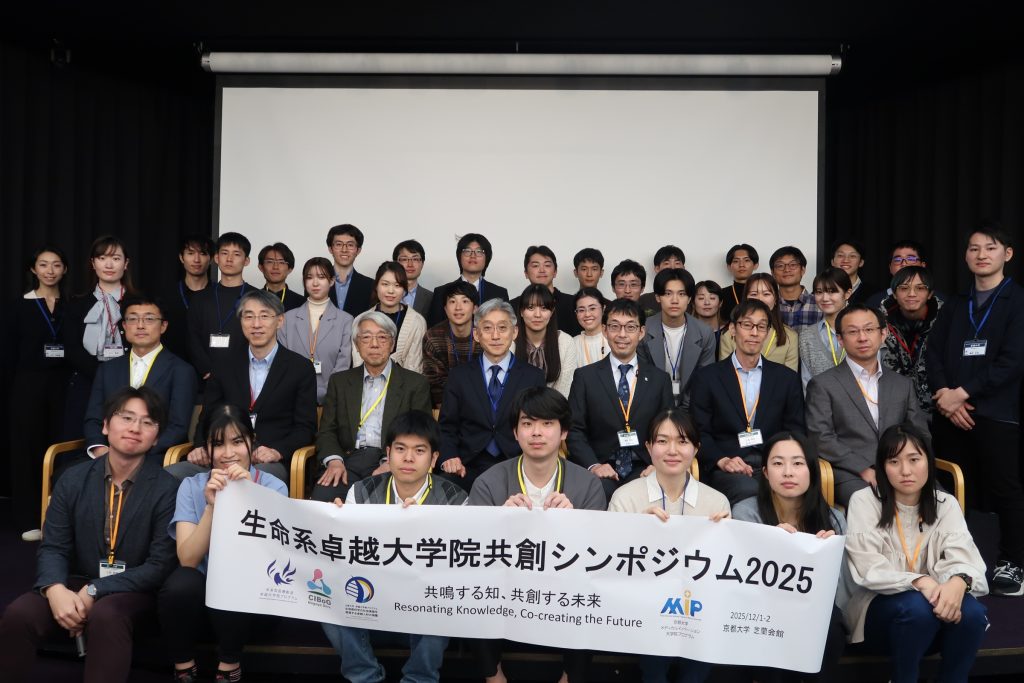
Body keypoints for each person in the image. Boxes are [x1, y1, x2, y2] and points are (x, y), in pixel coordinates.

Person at [0, 387, 178, 683]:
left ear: (156, 437)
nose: (135, 428)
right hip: (74, 582)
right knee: (20, 615)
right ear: (106, 425)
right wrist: (54, 589)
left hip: (134, 591)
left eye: (147, 422)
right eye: (126, 418)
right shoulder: (72, 479)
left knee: (107, 615)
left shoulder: (167, 489)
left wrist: (96, 589)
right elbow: (53, 547)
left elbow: (159, 566)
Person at [469, 387, 605, 683]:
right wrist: (499, 522)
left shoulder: (587, 485)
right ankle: (493, 675)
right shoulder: (489, 482)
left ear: (564, 432)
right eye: (527, 423)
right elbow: (473, 552)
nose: (537, 433)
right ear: (515, 432)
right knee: (474, 592)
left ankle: (571, 677)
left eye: (547, 423)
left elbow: (597, 556)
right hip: (506, 589)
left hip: (563, 588)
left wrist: (574, 523)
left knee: (592, 598)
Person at [323, 411, 466, 683]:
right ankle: (365, 676)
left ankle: (419, 679)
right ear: (388, 453)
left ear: (434, 458)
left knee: (448, 597)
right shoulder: (360, 493)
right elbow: (345, 561)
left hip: (424, 610)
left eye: (419, 451)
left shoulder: (455, 500)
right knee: (324, 598)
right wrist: (336, 526)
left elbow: (458, 568)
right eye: (400, 449)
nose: (408, 458)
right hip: (371, 603)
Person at [843, 424, 989, 682]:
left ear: (928, 462)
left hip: (934, 613)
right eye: (894, 461)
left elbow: (966, 560)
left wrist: (959, 582)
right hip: (879, 619)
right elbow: (869, 569)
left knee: (973, 614)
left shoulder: (945, 504)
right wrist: (920, 581)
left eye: (914, 459)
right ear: (882, 467)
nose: (906, 471)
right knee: (916, 608)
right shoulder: (864, 501)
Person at [926, 225, 1024, 596]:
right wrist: (945, 396)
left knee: (1006, 489)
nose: (981, 255)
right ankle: (956, 563)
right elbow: (933, 353)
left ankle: (1013, 563)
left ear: (1007, 254)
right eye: (974, 248)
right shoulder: (956, 303)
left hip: (996, 412)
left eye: (990, 247)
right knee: (951, 491)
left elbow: (1012, 361)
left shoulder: (1017, 301)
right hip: (951, 414)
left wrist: (962, 394)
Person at [158, 404, 288, 683]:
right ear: (207, 449)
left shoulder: (273, 487)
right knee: (180, 583)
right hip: (200, 597)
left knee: (233, 574)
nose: (228, 453)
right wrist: (211, 507)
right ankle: (183, 664)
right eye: (218, 444)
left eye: (237, 442)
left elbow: (268, 559)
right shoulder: (191, 486)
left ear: (252, 442)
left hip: (250, 602)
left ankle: (229, 662)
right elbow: (188, 559)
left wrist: (247, 495)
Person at [608, 409, 729, 683]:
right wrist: (637, 532)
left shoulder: (716, 502)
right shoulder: (625, 498)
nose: (672, 450)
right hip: (642, 607)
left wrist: (726, 537)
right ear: (648, 447)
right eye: (662, 441)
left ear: (696, 448)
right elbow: (611, 567)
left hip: (696, 609)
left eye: (682, 441)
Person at [732, 432, 847, 683]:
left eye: (797, 463)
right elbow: (741, 585)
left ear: (812, 470)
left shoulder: (834, 519)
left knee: (831, 623)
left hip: (812, 613)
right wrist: (774, 548)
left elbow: (840, 591)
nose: (788, 472)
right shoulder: (745, 514)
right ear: (765, 472)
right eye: (777, 463)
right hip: (761, 614)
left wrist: (823, 561)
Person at [179, 289, 317, 483]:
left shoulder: (300, 368)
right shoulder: (223, 364)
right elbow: (207, 416)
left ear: (280, 321)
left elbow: (305, 428)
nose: (256, 324)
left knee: (253, 481)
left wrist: (278, 451)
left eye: (264, 316)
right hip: (222, 457)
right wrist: (201, 446)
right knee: (171, 475)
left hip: (267, 461)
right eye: (249, 316)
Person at [806, 304, 930, 507]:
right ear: (840, 340)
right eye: (853, 332)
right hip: (852, 473)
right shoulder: (822, 384)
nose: (862, 337)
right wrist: (862, 468)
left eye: (869, 329)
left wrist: (910, 465)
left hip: (903, 469)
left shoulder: (902, 384)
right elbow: (821, 438)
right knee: (872, 503)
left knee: (943, 501)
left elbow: (920, 434)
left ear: (883, 334)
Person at [689, 299, 805, 505]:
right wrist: (722, 460)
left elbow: (795, 430)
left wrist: (781, 463)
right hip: (728, 466)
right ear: (733, 329)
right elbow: (699, 431)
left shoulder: (786, 378)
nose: (754, 333)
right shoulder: (707, 377)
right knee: (750, 492)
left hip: (774, 464)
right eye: (747, 325)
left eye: (761, 327)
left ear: (767, 332)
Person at [311, 311, 433, 502]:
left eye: (382, 337)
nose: (374, 344)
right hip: (347, 460)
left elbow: (421, 433)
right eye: (366, 337)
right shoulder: (340, 382)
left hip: (392, 461)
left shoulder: (415, 384)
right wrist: (334, 460)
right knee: (323, 498)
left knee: (383, 503)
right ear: (356, 344)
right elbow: (327, 430)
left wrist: (392, 463)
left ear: (392, 344)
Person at [566, 298, 673, 500]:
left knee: (648, 495)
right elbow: (574, 430)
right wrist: (594, 465)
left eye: (630, 327)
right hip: (601, 465)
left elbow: (668, 431)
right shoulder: (585, 377)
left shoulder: (660, 379)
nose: (622, 334)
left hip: (645, 466)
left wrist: (657, 466)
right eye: (615, 327)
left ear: (641, 332)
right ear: (604, 330)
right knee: (597, 493)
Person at [438, 299, 546, 491]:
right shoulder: (459, 376)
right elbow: (447, 427)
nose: (495, 336)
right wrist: (449, 456)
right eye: (487, 328)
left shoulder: (533, 377)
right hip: (467, 464)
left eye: (502, 328)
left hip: (517, 464)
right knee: (445, 486)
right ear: (476, 334)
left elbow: (539, 426)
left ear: (515, 332)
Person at [84, 295, 197, 460]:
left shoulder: (182, 371)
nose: (140, 325)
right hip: (108, 456)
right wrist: (100, 450)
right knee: (66, 473)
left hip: (156, 456)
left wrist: (136, 454)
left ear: (163, 326)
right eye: (133, 319)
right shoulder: (107, 369)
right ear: (124, 326)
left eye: (149, 319)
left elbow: (177, 426)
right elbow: (93, 418)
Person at [8, 246, 70, 541]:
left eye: (56, 265)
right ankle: (28, 518)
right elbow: (9, 353)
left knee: (62, 450)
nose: (50, 271)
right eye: (43, 265)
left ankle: (57, 518)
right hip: (28, 386)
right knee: (27, 449)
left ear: (65, 269)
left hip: (65, 386)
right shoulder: (18, 306)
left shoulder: (73, 305)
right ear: (33, 269)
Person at [63, 235, 134, 439]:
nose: (109, 265)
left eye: (116, 258)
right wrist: (102, 375)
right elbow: (72, 348)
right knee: (83, 441)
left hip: (131, 383)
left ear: (126, 264)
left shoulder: (139, 302)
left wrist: (119, 376)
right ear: (93, 263)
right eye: (102, 258)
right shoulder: (77, 304)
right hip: (86, 383)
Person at [278, 257, 354, 404]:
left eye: (321, 277)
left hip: (331, 400)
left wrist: (327, 393)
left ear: (331, 281)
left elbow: (343, 364)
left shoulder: (346, 320)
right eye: (309, 277)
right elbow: (282, 361)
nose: (315, 283)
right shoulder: (287, 318)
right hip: (292, 398)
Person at [641, 268, 715, 409]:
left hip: (691, 407)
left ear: (689, 298)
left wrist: (683, 412)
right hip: (653, 406)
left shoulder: (705, 333)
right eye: (668, 294)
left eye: (681, 294)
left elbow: (704, 379)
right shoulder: (643, 331)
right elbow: (643, 379)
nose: (675, 300)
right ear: (658, 297)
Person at [186, 232, 255, 382]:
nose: (229, 259)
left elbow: (262, 336)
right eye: (224, 253)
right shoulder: (200, 298)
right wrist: (206, 368)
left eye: (236, 254)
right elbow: (193, 337)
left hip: (246, 376)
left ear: (246, 261)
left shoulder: (257, 297)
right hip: (206, 378)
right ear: (216, 258)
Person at [881, 266, 943, 413]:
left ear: (930, 294)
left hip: (939, 407)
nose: (912, 294)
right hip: (892, 407)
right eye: (904, 288)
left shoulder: (946, 319)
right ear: (894, 293)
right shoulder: (877, 322)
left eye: (920, 288)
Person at [351, 261, 427, 373]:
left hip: (404, 383)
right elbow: (358, 363)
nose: (391, 291)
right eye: (385, 284)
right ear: (376, 286)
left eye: (397, 285)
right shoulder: (360, 320)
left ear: (404, 289)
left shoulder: (417, 321)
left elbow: (414, 368)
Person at [718, 273, 798, 371]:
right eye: (754, 294)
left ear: (776, 299)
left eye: (766, 294)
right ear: (745, 299)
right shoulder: (728, 334)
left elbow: (789, 378)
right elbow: (724, 373)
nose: (760, 299)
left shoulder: (790, 337)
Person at [427, 233, 510, 326]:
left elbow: (506, 327)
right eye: (467, 251)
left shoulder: (499, 293)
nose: (473, 256)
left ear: (487, 258)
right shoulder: (441, 292)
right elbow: (434, 329)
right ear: (459, 257)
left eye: (479, 251)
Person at [422, 281, 480, 407]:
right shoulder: (433, 337)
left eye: (465, 301)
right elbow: (435, 383)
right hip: (445, 405)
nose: (458, 307)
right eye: (452, 301)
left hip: (481, 403)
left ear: (475, 309)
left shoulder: (484, 335)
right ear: (445, 309)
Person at [514, 284, 578, 397]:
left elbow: (563, 390)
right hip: (516, 406)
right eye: (531, 308)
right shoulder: (510, 342)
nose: (537, 315)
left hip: (555, 406)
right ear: (521, 312)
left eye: (544, 308)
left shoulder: (565, 342)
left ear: (552, 312)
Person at [161, 234, 213, 368]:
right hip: (172, 366)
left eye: (203, 253)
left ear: (211, 259)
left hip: (210, 369)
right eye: (190, 253)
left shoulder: (218, 294)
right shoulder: (166, 294)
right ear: (181, 257)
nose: (196, 259)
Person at [798, 267, 853, 388]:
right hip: (820, 399)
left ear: (847, 294)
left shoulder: (864, 331)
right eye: (819, 292)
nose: (825, 298)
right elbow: (807, 383)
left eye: (832, 291)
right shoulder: (807, 336)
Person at [510, 245, 581, 335]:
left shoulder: (573, 303)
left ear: (555, 272)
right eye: (535, 266)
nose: (542, 270)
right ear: (526, 273)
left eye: (547, 265)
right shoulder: (512, 306)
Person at [865, 239, 941, 310]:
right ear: (890, 268)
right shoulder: (874, 302)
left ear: (923, 265)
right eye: (897, 259)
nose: (904, 264)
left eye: (911, 259)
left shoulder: (941, 301)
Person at [325, 223, 375, 317]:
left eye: (350, 245)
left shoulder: (370, 285)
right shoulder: (316, 281)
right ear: (330, 249)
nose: (344, 250)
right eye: (338, 244)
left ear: (358, 250)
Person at [770, 246, 822, 328]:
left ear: (803, 270)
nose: (787, 270)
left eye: (793, 265)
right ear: (772, 273)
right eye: (780, 266)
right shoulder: (768, 304)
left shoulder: (820, 303)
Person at [638, 245, 685, 321]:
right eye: (667, 263)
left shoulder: (693, 298)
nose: (672, 267)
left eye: (677, 263)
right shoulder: (644, 300)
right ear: (657, 269)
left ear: (683, 268)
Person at [257, 242, 305, 312]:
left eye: (281, 262)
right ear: (261, 267)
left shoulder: (302, 303)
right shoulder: (251, 300)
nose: (275, 267)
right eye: (270, 262)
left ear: (290, 269)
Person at [394, 239, 434, 318]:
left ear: (422, 264)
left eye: (415, 259)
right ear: (395, 263)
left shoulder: (432, 298)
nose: (410, 264)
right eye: (404, 259)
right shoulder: (383, 294)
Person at [720, 243, 758, 320]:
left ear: (755, 265)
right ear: (729, 267)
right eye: (736, 261)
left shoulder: (763, 293)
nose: (741, 265)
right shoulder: (721, 294)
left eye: (746, 260)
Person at [830, 239, 874, 305]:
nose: (846, 260)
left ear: (861, 262)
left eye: (852, 256)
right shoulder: (820, 292)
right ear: (832, 261)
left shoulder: (873, 294)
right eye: (840, 255)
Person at [572, 287, 608, 368]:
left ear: (603, 308)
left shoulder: (614, 338)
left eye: (592, 308)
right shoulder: (572, 344)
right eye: (581, 310)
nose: (587, 314)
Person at [691, 280, 728, 355]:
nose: (707, 303)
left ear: (720, 303)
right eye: (701, 298)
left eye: (712, 298)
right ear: (693, 303)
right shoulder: (686, 331)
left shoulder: (729, 330)